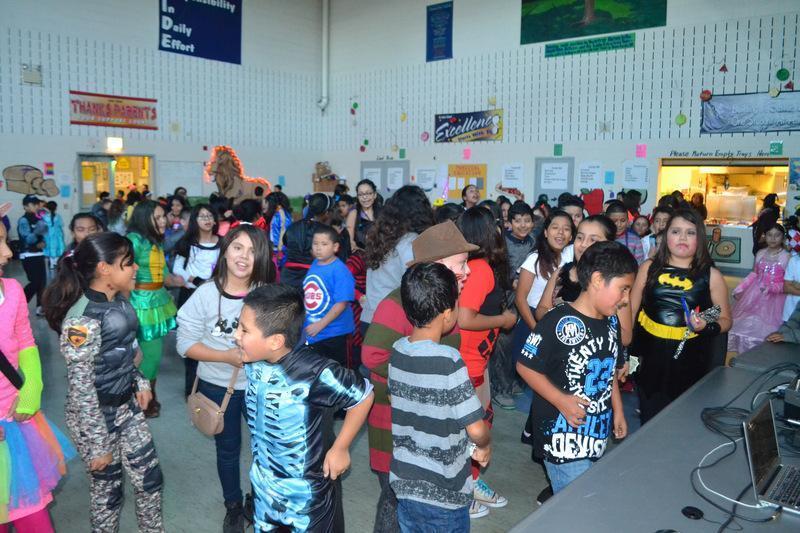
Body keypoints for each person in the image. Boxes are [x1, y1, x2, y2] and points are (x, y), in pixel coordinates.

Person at [42, 232, 164, 532]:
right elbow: (82, 391)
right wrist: (98, 446)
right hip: (95, 419)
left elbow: (125, 355)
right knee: (108, 494)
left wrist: (140, 382)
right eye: (128, 263)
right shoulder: (81, 322)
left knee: (150, 480)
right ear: (104, 269)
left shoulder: (121, 302)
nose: (136, 268)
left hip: (127, 408)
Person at [362, 220, 476, 532]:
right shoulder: (396, 304)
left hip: (431, 428)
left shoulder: (445, 302)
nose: (467, 271)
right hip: (399, 424)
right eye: (461, 264)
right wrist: (419, 379)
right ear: (436, 266)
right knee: (394, 501)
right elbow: (372, 356)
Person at [235, 284, 374, 532]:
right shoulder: (255, 361)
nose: (236, 335)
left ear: (275, 341)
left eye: (244, 330)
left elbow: (363, 395)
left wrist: (341, 448)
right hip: (264, 489)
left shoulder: (315, 371)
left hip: (309, 499)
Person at [516, 241, 635, 493]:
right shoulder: (557, 320)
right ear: (598, 280)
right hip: (562, 440)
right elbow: (525, 366)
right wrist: (561, 400)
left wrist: (618, 410)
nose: (626, 300)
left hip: (595, 434)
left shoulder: (612, 322)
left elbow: (609, 371)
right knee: (578, 501)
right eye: (623, 289)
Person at [176, 224, 273, 532]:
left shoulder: (266, 295)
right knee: (228, 449)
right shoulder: (205, 294)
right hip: (217, 386)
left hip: (260, 386)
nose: (244, 257)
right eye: (237, 247)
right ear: (225, 251)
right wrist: (226, 357)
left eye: (253, 251)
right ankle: (233, 506)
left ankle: (258, 500)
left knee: (266, 448)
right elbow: (184, 345)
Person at [389, 262, 491, 533]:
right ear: (447, 314)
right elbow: (476, 428)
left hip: (405, 483)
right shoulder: (448, 360)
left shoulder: (397, 351)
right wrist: (484, 445)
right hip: (444, 493)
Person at [0, 222, 74, 533]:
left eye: (5, 240)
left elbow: (26, 341)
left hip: (17, 420)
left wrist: (31, 389)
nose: (7, 252)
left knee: (34, 518)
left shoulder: (12, 290)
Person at [630, 208, 732, 423]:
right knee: (650, 417)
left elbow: (725, 320)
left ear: (700, 238)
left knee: (684, 419)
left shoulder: (711, 275)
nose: (682, 238)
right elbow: (630, 311)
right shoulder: (648, 268)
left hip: (691, 359)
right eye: (676, 231)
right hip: (650, 357)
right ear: (665, 235)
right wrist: (624, 352)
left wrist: (706, 325)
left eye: (690, 232)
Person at [456, 207, 516, 516]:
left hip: (475, 360)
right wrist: (503, 319)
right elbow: (465, 318)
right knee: (472, 429)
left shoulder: (476, 266)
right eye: (495, 225)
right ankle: (463, 491)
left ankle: (471, 482)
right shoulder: (479, 269)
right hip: (468, 363)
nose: (500, 230)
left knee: (478, 424)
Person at [126, 200, 183, 417]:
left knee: (148, 355)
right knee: (150, 355)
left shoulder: (154, 241)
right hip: (139, 304)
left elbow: (165, 274)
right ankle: (144, 400)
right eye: (157, 217)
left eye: (163, 216)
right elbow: (123, 273)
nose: (163, 221)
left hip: (156, 301)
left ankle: (147, 397)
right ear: (144, 218)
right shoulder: (133, 241)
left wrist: (182, 281)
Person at [362, 186, 434, 327]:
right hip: (391, 321)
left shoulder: (379, 236)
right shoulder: (410, 241)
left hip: (369, 316)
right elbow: (415, 284)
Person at [728, 223, 790, 354]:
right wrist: (741, 287)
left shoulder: (786, 256)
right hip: (755, 292)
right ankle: (745, 351)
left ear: (783, 238)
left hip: (776, 297)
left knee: (769, 324)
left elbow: (788, 281)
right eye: (769, 235)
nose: (773, 238)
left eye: (777, 235)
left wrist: (773, 288)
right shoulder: (760, 253)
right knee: (747, 320)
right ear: (764, 236)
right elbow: (754, 273)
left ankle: (764, 353)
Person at [514, 210, 575, 333]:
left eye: (566, 229)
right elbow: (520, 299)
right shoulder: (534, 259)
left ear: (571, 237)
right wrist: (536, 329)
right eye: (555, 227)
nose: (560, 232)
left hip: (559, 321)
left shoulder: (569, 258)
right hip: (531, 320)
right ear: (546, 232)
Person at [303, 225, 355, 366]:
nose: (318, 248)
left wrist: (320, 325)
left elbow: (342, 303)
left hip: (335, 333)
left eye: (324, 244)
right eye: (315, 244)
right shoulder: (315, 264)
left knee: (337, 371)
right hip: (314, 333)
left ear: (335, 247)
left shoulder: (340, 270)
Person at [281, 193, 334, 289]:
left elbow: (285, 242)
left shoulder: (293, 226)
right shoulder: (326, 232)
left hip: (288, 276)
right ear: (326, 213)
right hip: (312, 278)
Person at [172, 204, 221, 308]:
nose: (207, 219)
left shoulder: (223, 242)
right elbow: (177, 268)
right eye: (202, 216)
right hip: (190, 292)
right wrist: (195, 280)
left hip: (215, 293)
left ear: (215, 220)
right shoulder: (186, 242)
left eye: (210, 216)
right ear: (195, 221)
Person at [16, 195, 49, 316]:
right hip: (28, 255)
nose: (36, 206)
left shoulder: (38, 218)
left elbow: (44, 235)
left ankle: (40, 307)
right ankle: (18, 305)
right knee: (35, 282)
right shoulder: (23, 220)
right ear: (25, 206)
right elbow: (28, 239)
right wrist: (38, 230)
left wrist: (43, 242)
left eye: (37, 204)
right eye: (33, 204)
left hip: (39, 254)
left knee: (42, 282)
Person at [505, 201, 535, 287]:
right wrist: (511, 282)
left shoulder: (534, 240)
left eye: (527, 221)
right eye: (517, 221)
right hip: (508, 290)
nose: (523, 225)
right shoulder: (503, 243)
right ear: (510, 223)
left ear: (532, 223)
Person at [346, 179, 381, 251]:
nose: (364, 197)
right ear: (357, 197)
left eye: (368, 193)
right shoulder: (354, 213)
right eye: (361, 194)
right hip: (360, 254)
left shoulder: (383, 213)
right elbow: (350, 241)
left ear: (375, 195)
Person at [606, 200, 645, 264]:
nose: (619, 224)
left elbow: (640, 264)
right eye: (614, 221)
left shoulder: (635, 240)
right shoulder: (601, 237)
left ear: (627, 221)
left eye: (623, 221)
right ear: (607, 220)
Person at [264, 191, 293, 271]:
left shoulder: (282, 215)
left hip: (280, 253)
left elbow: (284, 233)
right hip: (275, 251)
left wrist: (280, 251)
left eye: (267, 202)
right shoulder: (277, 213)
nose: (266, 205)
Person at [42, 201, 65, 271]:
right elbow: (61, 224)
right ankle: (57, 263)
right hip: (57, 234)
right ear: (55, 208)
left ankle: (52, 264)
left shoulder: (44, 217)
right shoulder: (58, 216)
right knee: (58, 248)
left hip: (48, 235)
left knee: (50, 248)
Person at [783, 252, 800, 322]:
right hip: (791, 312)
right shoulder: (794, 260)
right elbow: (786, 288)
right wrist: (791, 286)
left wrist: (796, 285)